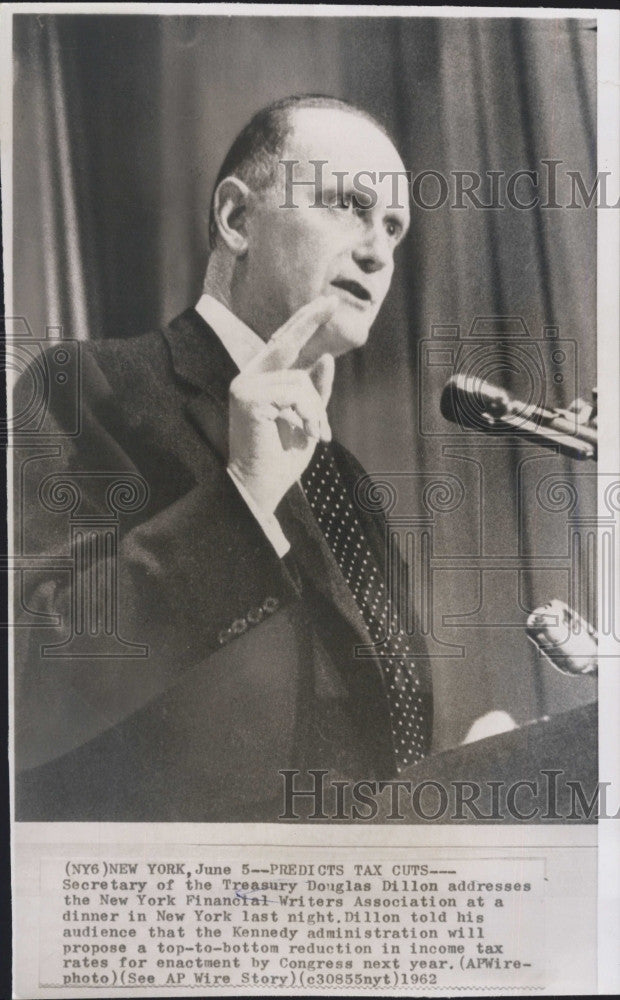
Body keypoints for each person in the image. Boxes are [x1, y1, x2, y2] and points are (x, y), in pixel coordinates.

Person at [14, 95, 433, 821]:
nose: (377, 250)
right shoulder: (85, 388)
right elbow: (26, 690)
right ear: (238, 219)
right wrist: (242, 496)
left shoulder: (349, 482)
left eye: (393, 227)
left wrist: (462, 771)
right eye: (349, 206)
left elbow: (384, 734)